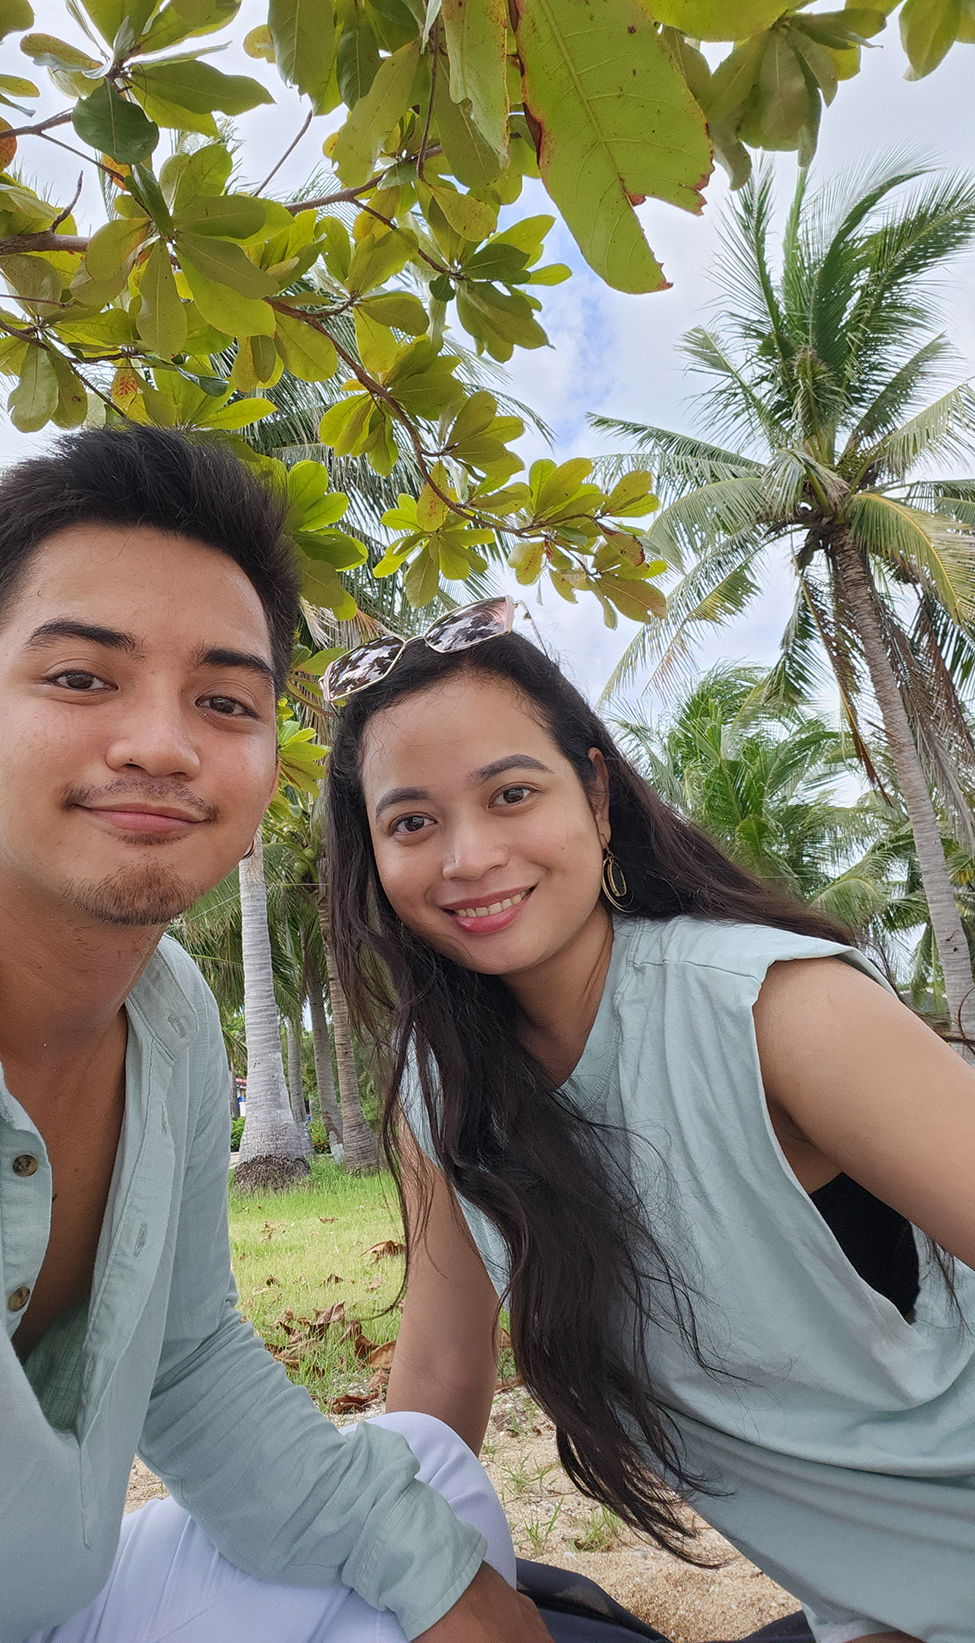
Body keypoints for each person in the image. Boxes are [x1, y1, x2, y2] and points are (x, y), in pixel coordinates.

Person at [0, 432, 547, 1643]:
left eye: (224, 701)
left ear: (264, 772)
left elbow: (185, 1363)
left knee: (431, 1485)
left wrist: (457, 1598)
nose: (162, 744)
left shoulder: (170, 1017)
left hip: (52, 1612)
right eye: (81, 679)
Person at [322, 601, 975, 1643]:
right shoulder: (442, 1097)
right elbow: (437, 1389)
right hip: (870, 1612)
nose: (467, 856)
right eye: (411, 822)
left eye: (510, 793)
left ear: (594, 792)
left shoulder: (775, 1011)